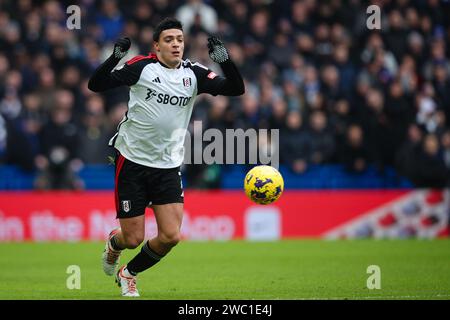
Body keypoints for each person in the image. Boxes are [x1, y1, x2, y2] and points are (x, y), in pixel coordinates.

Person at [88, 17, 245, 297]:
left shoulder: (193, 74)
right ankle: (115, 242)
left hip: (168, 164)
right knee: (133, 238)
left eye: (180, 40)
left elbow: (236, 88)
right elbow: (96, 85)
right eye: (169, 40)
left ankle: (129, 274)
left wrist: (224, 59)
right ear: (156, 46)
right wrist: (114, 57)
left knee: (171, 236)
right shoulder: (141, 67)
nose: (176, 45)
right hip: (132, 160)